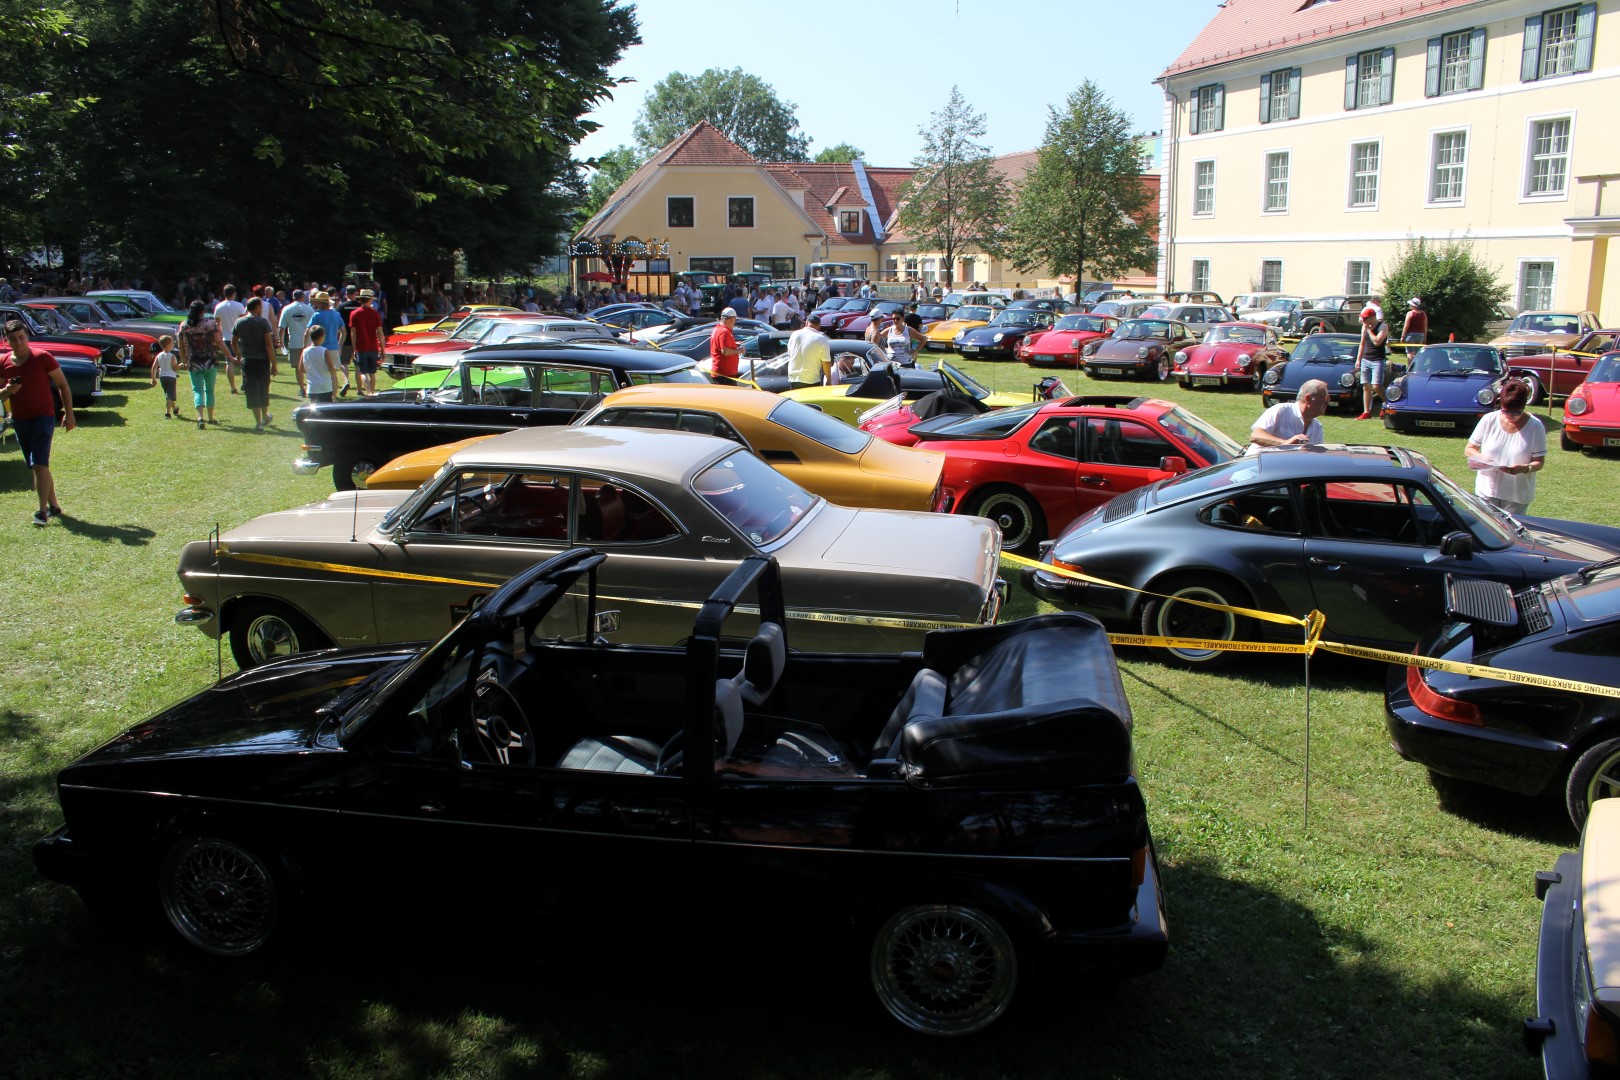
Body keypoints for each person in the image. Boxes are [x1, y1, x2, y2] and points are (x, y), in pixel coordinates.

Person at [0, 319, 76, 525]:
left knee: (40, 463)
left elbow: (62, 385)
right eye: (13, 339)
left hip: (43, 417)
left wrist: (69, 414)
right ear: (7, 340)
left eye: (22, 337)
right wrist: (8, 390)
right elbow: (1, 395)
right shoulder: (4, 362)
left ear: (27, 337)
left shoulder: (42, 357)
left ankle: (42, 512)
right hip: (20, 420)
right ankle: (54, 507)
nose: (18, 342)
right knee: (37, 466)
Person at [1465, 379, 1546, 515]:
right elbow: (1469, 449)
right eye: (1506, 411)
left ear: (1524, 406)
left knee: (1511, 533)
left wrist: (1524, 468)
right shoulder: (1488, 420)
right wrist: (1483, 459)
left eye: (1516, 413)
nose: (1510, 416)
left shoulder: (1535, 426)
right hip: (1486, 490)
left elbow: (1539, 462)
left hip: (1516, 495)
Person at [177, 299, 225, 428]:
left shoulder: (184, 325)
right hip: (210, 360)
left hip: (194, 361)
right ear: (202, 311)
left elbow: (180, 346)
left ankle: (200, 417)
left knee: (197, 390)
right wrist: (229, 355)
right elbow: (218, 340)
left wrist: (183, 360)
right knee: (209, 390)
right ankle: (210, 417)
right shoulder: (210, 324)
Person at [1248, 379, 1328, 453]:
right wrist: (1285, 443)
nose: (1327, 403)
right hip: (1257, 465)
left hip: (1285, 467)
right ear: (1308, 399)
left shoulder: (1317, 426)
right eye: (1324, 399)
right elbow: (1256, 436)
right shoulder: (1281, 410)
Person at [234, 296, 277, 431]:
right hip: (262, 361)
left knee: (252, 389)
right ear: (257, 307)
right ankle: (264, 416)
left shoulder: (239, 322)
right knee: (263, 387)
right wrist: (274, 363)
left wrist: (239, 355)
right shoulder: (263, 323)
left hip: (247, 360)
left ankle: (259, 422)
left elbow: (233, 342)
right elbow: (269, 345)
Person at [348, 289, 385, 396]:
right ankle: (372, 393)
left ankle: (369, 393)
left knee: (363, 372)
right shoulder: (375, 314)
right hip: (373, 347)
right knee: (372, 373)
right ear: (370, 300)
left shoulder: (354, 314)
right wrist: (383, 349)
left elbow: (353, 333)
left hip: (361, 347)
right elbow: (380, 333)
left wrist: (354, 349)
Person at [1355, 306, 1390, 420]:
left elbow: (1377, 342)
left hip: (1377, 360)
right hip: (1366, 359)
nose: (1363, 321)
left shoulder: (1382, 326)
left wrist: (1369, 330)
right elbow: (1362, 344)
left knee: (1376, 386)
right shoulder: (1364, 328)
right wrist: (1358, 359)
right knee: (1366, 386)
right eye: (1362, 319)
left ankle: (1387, 405)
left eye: (1365, 318)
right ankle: (1366, 412)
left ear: (1372, 317)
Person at [307, 291, 346, 388]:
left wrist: (305, 346)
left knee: (320, 373)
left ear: (320, 303)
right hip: (334, 347)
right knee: (333, 374)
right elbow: (344, 332)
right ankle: (334, 396)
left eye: (317, 302)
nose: (315, 304)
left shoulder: (317, 315)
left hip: (321, 348)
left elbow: (307, 331)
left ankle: (322, 393)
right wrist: (339, 345)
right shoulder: (336, 314)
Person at [299, 324, 347, 402]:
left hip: (312, 388)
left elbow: (301, 369)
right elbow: (331, 369)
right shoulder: (324, 351)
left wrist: (312, 371)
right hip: (324, 387)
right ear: (321, 337)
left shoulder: (305, 351)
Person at [213, 284, 246, 395]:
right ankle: (245, 383)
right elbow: (242, 322)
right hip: (239, 336)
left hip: (226, 337)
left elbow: (217, 324)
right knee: (243, 360)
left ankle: (232, 387)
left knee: (229, 361)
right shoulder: (239, 306)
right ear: (234, 293)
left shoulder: (219, 306)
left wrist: (220, 334)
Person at [785, 318, 832, 388]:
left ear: (806, 323)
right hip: (811, 380)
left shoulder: (794, 334)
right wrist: (829, 381)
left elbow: (790, 354)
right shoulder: (822, 339)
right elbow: (826, 362)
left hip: (794, 378)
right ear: (819, 326)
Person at [278, 289, 314, 363]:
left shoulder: (286, 309)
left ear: (293, 297)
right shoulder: (310, 309)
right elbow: (315, 326)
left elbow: (282, 327)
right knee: (308, 366)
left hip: (294, 342)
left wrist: (281, 341)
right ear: (303, 297)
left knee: (297, 368)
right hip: (308, 343)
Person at [709, 308, 742, 384]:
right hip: (724, 375)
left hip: (721, 373)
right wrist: (740, 350)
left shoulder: (718, 329)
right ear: (731, 319)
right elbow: (725, 352)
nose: (735, 322)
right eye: (735, 319)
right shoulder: (724, 332)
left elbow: (721, 346)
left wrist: (733, 344)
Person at [150, 333, 181, 418]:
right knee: (169, 395)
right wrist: (181, 366)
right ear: (168, 344)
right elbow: (175, 368)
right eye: (172, 343)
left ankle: (174, 408)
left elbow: (154, 367)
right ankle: (167, 413)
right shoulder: (172, 356)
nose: (173, 344)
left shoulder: (159, 355)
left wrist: (153, 378)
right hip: (171, 377)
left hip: (162, 377)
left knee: (168, 393)